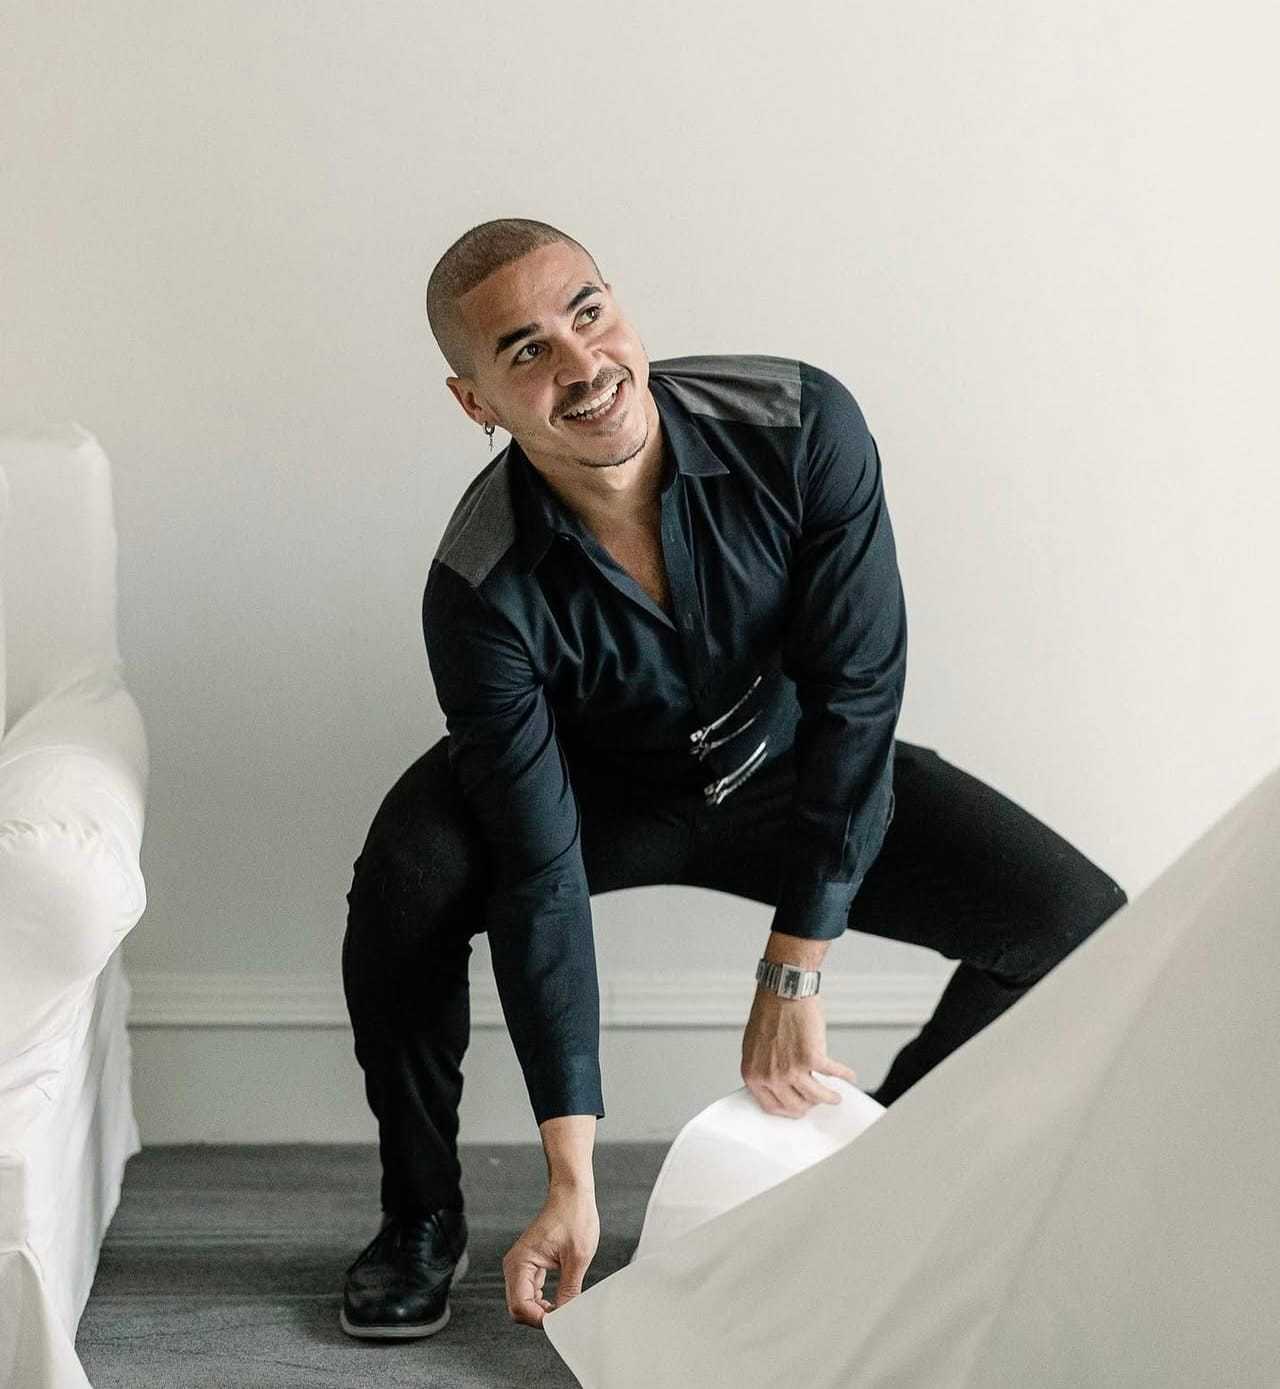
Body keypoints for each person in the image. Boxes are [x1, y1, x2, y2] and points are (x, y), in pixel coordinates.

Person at [338, 217, 1128, 1342]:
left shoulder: (803, 424)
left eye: (588, 313)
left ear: (621, 305)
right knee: (406, 882)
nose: (581, 366)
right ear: (477, 404)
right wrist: (572, 1174)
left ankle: (870, 1178)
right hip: (588, 794)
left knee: (1073, 919)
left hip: (785, 762)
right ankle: (419, 1216)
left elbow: (861, 695)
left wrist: (795, 967)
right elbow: (539, 872)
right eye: (524, 352)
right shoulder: (478, 588)